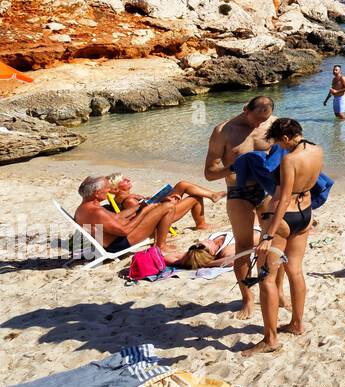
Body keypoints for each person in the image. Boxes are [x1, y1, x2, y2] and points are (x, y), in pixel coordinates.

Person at [244, 118, 323, 356]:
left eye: (279, 142)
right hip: (305, 214)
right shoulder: (317, 150)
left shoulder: (290, 160)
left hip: (283, 219)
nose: (280, 148)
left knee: (267, 279)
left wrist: (268, 234)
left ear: (287, 138)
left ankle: (270, 340)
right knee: (295, 271)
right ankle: (297, 323)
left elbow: (285, 197)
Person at [205, 96, 277, 318]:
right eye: (256, 120)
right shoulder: (224, 131)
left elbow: (290, 155)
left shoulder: (274, 125)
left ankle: (276, 292)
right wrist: (235, 167)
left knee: (272, 245)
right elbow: (209, 173)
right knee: (244, 247)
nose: (258, 125)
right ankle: (247, 298)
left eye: (263, 120)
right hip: (238, 193)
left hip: (267, 191)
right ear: (245, 109)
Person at [72, 176, 193, 255]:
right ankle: (160, 246)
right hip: (119, 244)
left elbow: (117, 218)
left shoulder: (83, 209)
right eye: (106, 188)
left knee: (157, 206)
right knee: (168, 206)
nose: (109, 190)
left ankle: (160, 241)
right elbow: (125, 231)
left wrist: (140, 206)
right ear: (97, 193)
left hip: (113, 240)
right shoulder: (96, 211)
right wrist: (144, 212)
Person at [102, 173, 225, 231]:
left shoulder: (125, 198)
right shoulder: (129, 201)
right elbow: (144, 218)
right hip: (162, 217)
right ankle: (201, 224)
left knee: (182, 185)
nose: (128, 179)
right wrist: (163, 202)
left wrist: (151, 199)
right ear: (115, 189)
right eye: (123, 180)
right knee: (195, 197)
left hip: (160, 210)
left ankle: (213, 195)